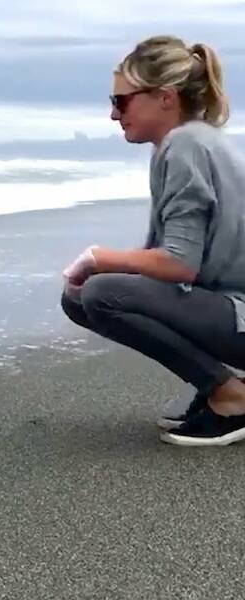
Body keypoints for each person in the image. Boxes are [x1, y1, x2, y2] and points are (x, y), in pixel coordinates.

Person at [60, 35, 245, 447]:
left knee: (101, 294)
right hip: (232, 308)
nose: (113, 114)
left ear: (165, 98)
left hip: (238, 313)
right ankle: (221, 387)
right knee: (81, 296)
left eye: (122, 101)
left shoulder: (185, 146)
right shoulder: (194, 139)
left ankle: (231, 398)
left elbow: (180, 264)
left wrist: (98, 259)